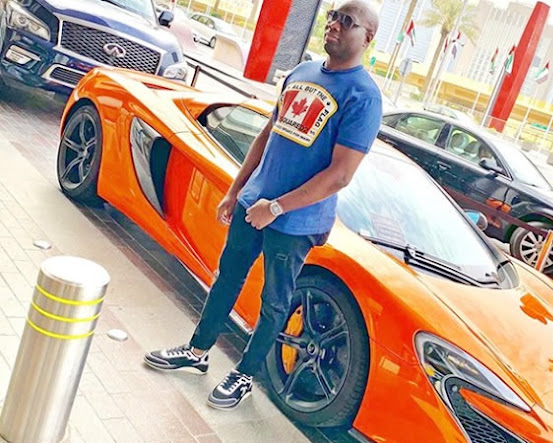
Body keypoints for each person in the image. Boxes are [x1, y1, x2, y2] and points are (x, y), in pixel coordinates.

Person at [144, 1, 382, 410]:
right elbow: (267, 135)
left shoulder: (364, 96)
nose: (335, 25)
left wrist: (276, 208)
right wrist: (237, 190)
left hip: (295, 222)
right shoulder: (302, 73)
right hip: (252, 204)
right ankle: (197, 352)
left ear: (368, 37)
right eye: (333, 16)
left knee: (274, 302)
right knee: (226, 279)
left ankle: (244, 374)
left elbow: (341, 174)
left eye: (348, 22)